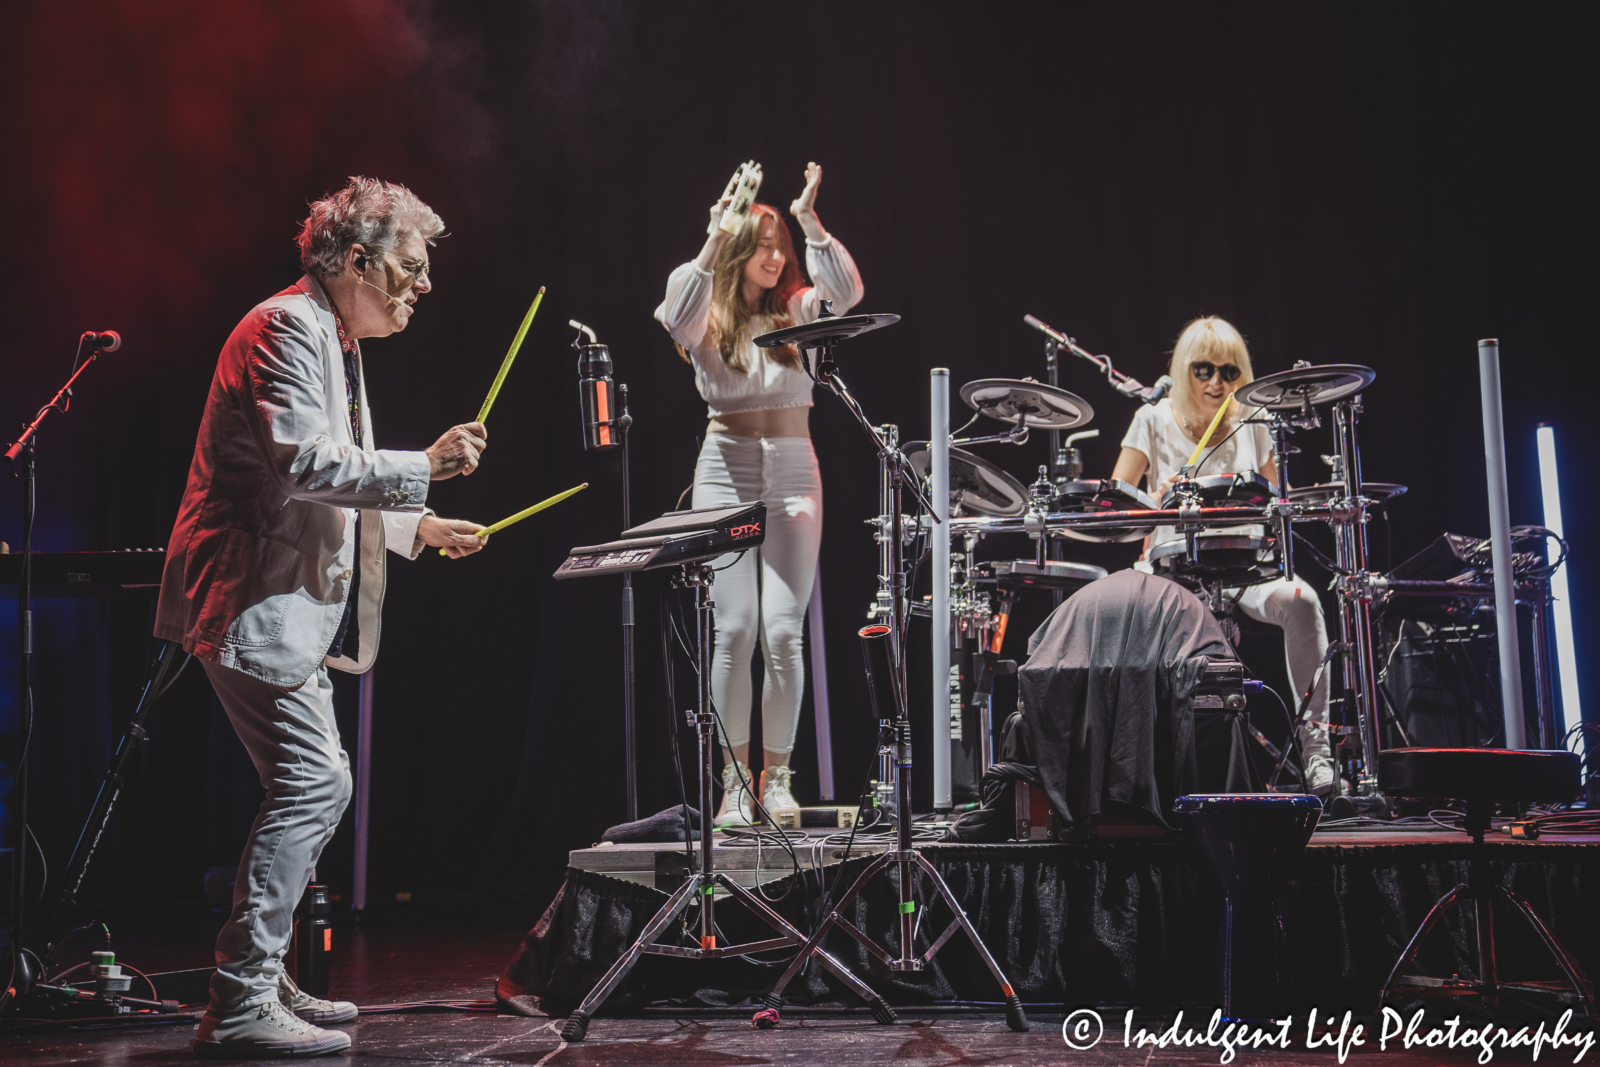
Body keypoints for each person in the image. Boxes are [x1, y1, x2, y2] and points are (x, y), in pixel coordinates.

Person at [156, 177, 492, 1058]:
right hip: (249, 596)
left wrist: (414, 525)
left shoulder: (332, 338)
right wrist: (425, 464)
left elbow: (327, 471)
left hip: (275, 600)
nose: (422, 288)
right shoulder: (282, 328)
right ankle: (239, 996)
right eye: (410, 270)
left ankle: (258, 976)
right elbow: (305, 462)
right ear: (355, 261)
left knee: (314, 780)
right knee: (314, 782)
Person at [655, 162, 864, 827]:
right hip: (725, 468)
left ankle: (779, 779)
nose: (776, 257)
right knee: (735, 628)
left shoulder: (798, 309)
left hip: (795, 470)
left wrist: (808, 218)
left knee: (782, 631)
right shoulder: (706, 316)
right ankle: (733, 783)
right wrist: (714, 237)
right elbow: (672, 313)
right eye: (764, 244)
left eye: (783, 247)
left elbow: (848, 292)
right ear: (742, 250)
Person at [1110, 316, 1336, 795]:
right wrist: (1160, 501)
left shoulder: (1253, 422)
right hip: (1173, 571)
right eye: (1204, 370)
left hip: (1246, 568)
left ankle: (1318, 754)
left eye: (1229, 373)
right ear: (1183, 369)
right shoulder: (1152, 419)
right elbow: (1118, 508)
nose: (1216, 382)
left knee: (1303, 600)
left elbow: (1280, 498)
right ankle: (1133, 773)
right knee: (1122, 619)